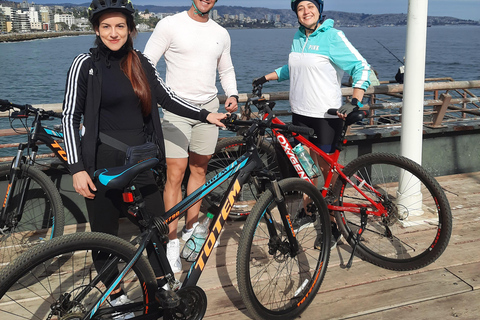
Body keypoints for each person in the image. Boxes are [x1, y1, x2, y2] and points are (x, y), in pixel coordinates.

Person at [62, 0, 226, 311]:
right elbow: (69, 116)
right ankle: (115, 296)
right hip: (101, 164)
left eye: (120, 26)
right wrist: (76, 168)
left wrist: (206, 115)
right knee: (104, 236)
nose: (114, 33)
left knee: (157, 228)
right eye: (106, 26)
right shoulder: (85, 64)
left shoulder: (140, 62)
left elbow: (167, 97)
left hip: (142, 161)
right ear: (96, 29)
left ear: (130, 29)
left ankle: (163, 285)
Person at [252, 0, 371, 249]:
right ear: (296, 14)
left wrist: (356, 101)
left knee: (326, 173)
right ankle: (309, 211)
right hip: (300, 114)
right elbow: (294, 67)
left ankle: (333, 225)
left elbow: (361, 66)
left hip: (326, 116)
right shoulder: (298, 37)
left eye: (310, 6)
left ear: (319, 9)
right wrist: (268, 76)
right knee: (305, 169)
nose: (306, 11)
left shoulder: (332, 36)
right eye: (300, 8)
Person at [143, 0, 238, 272]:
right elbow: (147, 65)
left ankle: (191, 227)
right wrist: (162, 98)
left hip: (210, 109)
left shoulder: (221, 32)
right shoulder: (169, 25)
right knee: (176, 172)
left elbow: (226, 69)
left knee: (199, 169)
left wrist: (231, 93)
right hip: (175, 109)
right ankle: (171, 241)